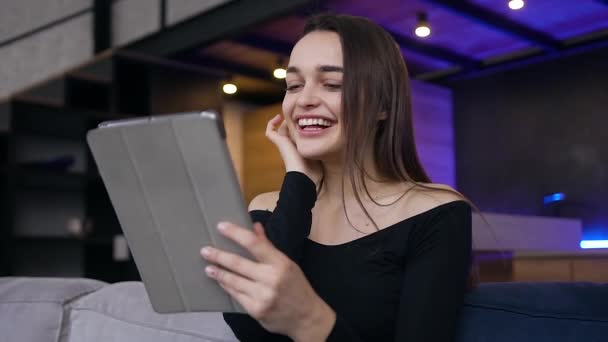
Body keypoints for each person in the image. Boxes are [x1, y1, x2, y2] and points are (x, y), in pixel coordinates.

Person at [199, 13, 473, 341]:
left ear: (382, 105)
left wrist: (310, 320)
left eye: (332, 84)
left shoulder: (436, 212)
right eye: (294, 85)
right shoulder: (268, 207)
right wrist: (298, 180)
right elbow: (248, 329)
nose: (304, 100)